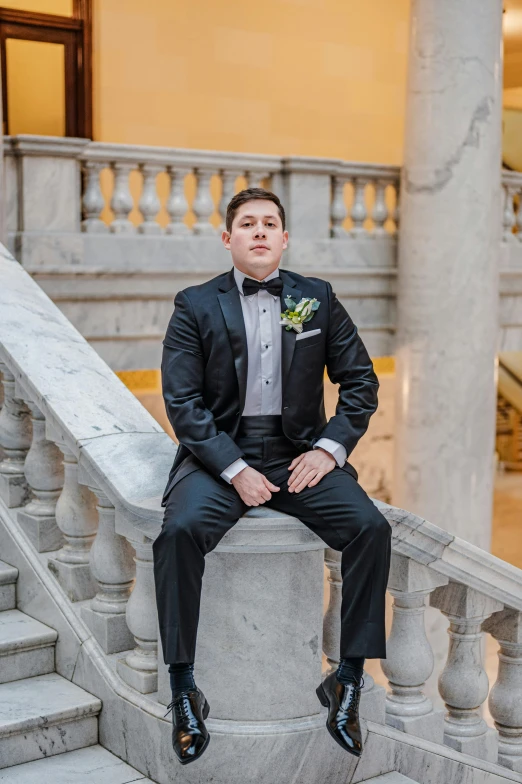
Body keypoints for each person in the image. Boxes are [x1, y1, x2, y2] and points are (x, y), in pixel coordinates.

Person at [153, 187, 392, 765]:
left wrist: (329, 450)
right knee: (179, 532)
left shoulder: (319, 299)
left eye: (270, 224)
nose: (259, 232)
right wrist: (234, 470)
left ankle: (348, 679)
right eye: (247, 224)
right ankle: (184, 688)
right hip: (220, 454)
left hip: (298, 454)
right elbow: (183, 402)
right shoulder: (193, 304)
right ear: (228, 237)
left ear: (284, 238)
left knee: (370, 527)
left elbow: (360, 384)